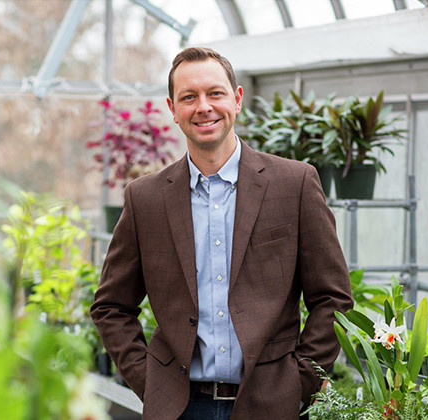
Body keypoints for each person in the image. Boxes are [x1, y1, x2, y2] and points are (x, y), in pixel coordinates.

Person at [91, 46, 353, 420]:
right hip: (179, 406)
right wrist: (149, 380)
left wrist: (300, 380)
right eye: (189, 97)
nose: (204, 107)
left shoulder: (294, 184)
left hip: (269, 404)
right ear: (172, 108)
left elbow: (332, 297)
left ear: (237, 98)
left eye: (215, 93)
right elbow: (111, 307)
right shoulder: (144, 199)